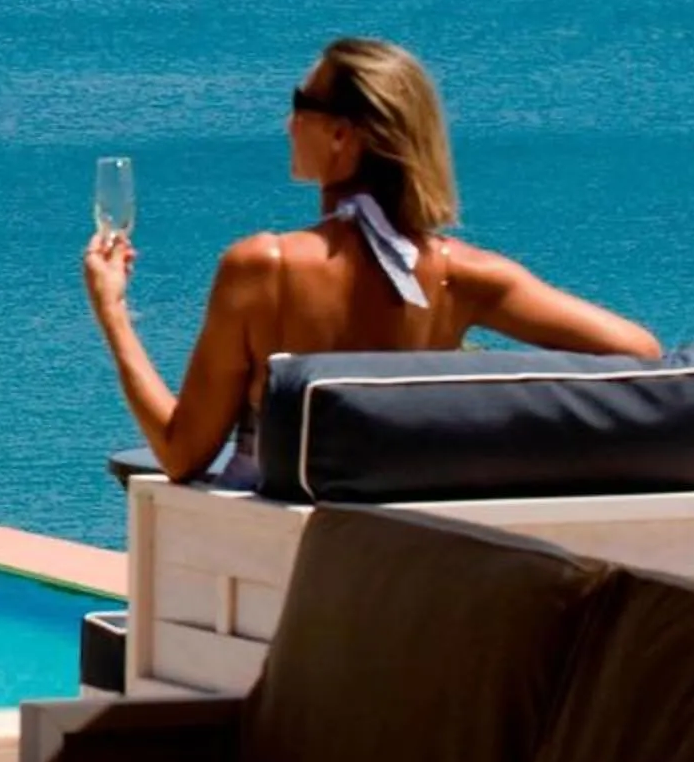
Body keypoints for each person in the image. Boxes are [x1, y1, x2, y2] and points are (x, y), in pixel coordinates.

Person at [83, 36, 660, 486]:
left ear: (342, 135)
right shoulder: (465, 276)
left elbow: (182, 454)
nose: (288, 123)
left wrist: (112, 313)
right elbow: (640, 352)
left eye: (300, 104)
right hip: (397, 551)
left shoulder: (264, 267)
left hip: (274, 553)